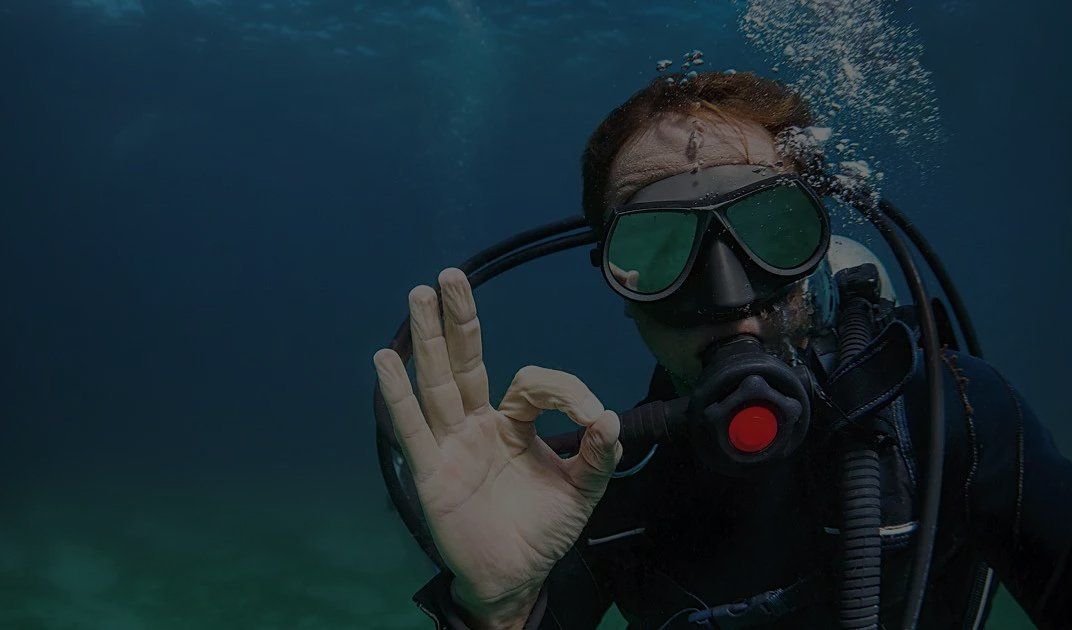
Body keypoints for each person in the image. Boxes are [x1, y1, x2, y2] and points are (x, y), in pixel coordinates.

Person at [371, 72, 1071, 629]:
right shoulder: (595, 485)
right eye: (660, 250)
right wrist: (498, 610)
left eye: (771, 231)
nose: (732, 298)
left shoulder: (949, 416)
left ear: (816, 251)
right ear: (622, 291)